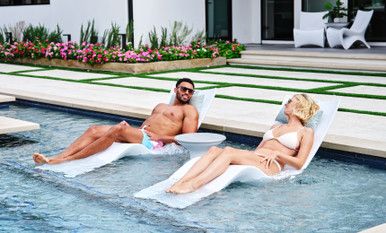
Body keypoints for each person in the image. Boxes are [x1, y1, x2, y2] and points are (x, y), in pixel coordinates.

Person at [167, 93, 320, 194]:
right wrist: (244, 157)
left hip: (271, 165)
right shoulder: (276, 127)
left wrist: (278, 154)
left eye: (289, 101)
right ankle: (182, 181)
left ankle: (194, 184)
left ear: (299, 107)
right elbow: (259, 149)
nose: (285, 104)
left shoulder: (306, 132)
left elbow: (299, 163)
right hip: (256, 158)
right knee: (214, 149)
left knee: (228, 150)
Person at [33, 78, 199, 165]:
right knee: (94, 129)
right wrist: (132, 129)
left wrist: (159, 136)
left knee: (118, 129)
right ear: (175, 89)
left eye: (190, 91)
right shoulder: (161, 105)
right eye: (183, 89)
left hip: (155, 143)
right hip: (142, 134)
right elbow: (145, 127)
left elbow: (189, 140)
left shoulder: (189, 110)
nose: (187, 93)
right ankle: (57, 156)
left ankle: (66, 160)